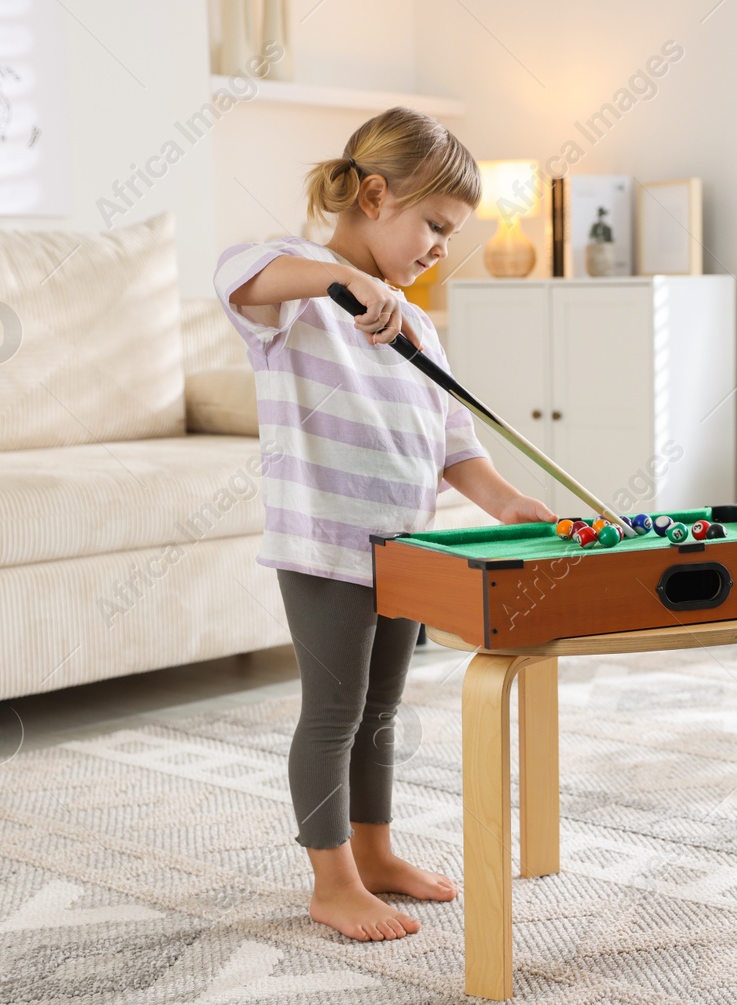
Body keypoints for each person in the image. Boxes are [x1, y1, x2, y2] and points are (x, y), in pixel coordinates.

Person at [213, 107, 555, 942]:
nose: (441, 247)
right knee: (333, 710)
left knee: (380, 712)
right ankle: (330, 880)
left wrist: (507, 502)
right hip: (327, 544)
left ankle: (375, 853)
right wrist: (347, 281)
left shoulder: (418, 322)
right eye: (434, 226)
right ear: (374, 195)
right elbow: (237, 274)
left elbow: (453, 443)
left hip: (406, 547)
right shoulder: (299, 297)